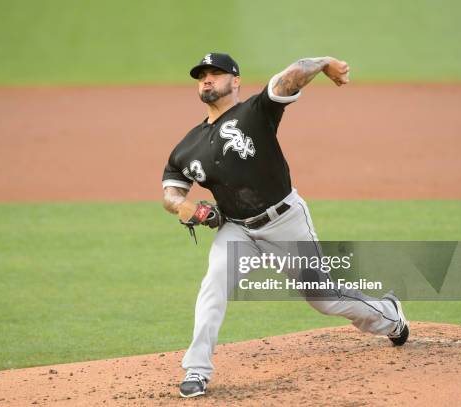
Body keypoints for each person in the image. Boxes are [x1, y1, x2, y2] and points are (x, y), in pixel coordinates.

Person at [161, 53, 409, 398]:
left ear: (235, 81)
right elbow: (172, 193)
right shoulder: (188, 146)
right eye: (202, 74)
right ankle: (197, 370)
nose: (207, 79)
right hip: (237, 229)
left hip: (285, 221)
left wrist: (322, 64)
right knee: (213, 285)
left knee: (324, 297)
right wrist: (191, 209)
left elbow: (290, 76)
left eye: (216, 73)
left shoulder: (255, 112)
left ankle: (389, 315)